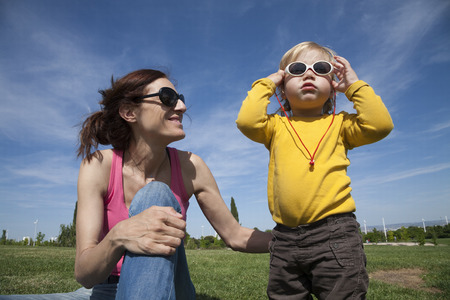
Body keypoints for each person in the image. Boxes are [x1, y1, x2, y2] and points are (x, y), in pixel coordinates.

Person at [0, 69, 271, 300]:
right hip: (105, 290)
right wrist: (119, 235)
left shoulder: (192, 166)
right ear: (129, 112)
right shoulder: (98, 165)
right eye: (168, 98)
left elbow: (235, 236)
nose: (181, 107)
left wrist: (301, 241)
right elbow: (84, 273)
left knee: (155, 194)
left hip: (172, 289)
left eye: (180, 99)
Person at [236, 41, 394, 299]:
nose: (309, 74)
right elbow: (247, 120)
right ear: (283, 90)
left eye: (321, 68)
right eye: (296, 69)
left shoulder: (341, 124)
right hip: (284, 237)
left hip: (335, 233)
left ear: (333, 87)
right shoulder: (275, 127)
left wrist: (354, 85)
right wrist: (268, 82)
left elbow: (380, 125)